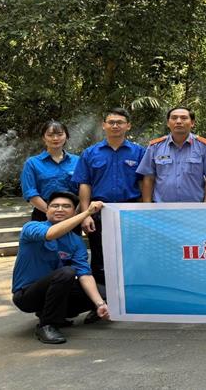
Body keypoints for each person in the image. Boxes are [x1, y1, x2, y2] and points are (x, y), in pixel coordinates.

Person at [11, 191, 110, 344]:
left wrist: (100, 304)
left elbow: (84, 274)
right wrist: (87, 213)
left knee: (105, 293)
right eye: (55, 206)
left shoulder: (76, 241)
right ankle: (47, 325)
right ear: (47, 210)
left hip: (56, 290)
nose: (60, 209)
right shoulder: (31, 227)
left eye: (66, 206)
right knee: (66, 273)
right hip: (27, 295)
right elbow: (51, 234)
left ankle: (53, 312)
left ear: (74, 212)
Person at [71, 108, 145, 285]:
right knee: (99, 255)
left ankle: (132, 294)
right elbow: (84, 184)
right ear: (103, 125)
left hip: (130, 211)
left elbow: (145, 183)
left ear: (128, 126)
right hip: (99, 211)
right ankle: (102, 297)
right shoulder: (90, 153)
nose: (115, 126)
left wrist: (144, 210)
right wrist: (86, 215)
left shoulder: (139, 152)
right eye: (111, 122)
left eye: (120, 122)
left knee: (132, 254)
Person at [136, 107, 206, 202]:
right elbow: (148, 177)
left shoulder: (204, 146)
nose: (178, 121)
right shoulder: (155, 146)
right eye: (174, 118)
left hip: (195, 206)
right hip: (161, 206)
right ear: (168, 123)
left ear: (192, 123)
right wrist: (148, 205)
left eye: (184, 118)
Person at [20, 120, 80, 222]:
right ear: (43, 138)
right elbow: (30, 192)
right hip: (43, 213)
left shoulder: (78, 161)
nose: (55, 138)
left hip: (72, 215)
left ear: (66, 136)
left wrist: (76, 213)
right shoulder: (32, 163)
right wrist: (50, 212)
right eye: (50, 135)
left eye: (60, 134)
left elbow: (84, 189)